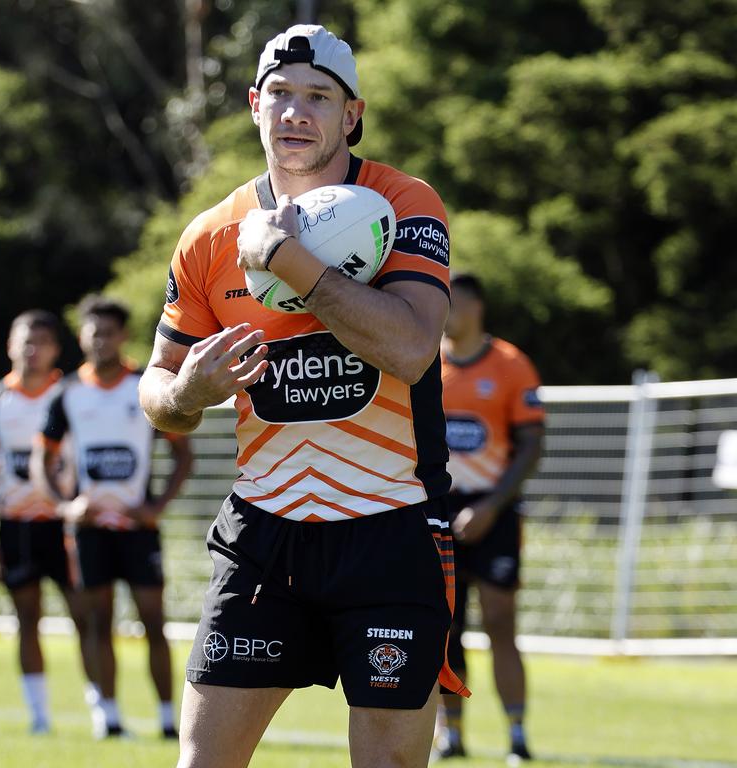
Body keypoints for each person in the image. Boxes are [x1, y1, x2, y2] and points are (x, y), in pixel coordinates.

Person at [138, 23, 468, 768]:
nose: (296, 112)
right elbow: (156, 391)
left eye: (318, 97)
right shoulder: (208, 235)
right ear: (255, 106)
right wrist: (190, 387)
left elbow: (413, 349)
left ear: (351, 115)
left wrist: (284, 260)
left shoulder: (403, 203)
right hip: (265, 534)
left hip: (389, 527)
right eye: (280, 95)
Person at [30, 295, 193, 739]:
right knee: (99, 624)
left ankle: (165, 719)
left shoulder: (146, 385)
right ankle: (109, 716)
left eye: (109, 332)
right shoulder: (66, 394)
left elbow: (183, 454)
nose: (100, 340)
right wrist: (66, 508)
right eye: (93, 331)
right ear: (81, 337)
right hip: (90, 532)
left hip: (138, 531)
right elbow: (39, 461)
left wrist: (155, 507)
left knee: (153, 624)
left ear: (122, 336)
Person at [0, 309, 100, 733]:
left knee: (86, 617)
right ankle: (39, 716)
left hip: (67, 524)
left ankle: (104, 714)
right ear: (10, 345)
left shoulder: (70, 393)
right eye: (25, 341)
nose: (32, 350)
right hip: (16, 526)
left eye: (41, 342)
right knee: (27, 619)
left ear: (55, 349)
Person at [436, 273, 545, 761]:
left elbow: (532, 445)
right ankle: (451, 734)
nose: (442, 313)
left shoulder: (510, 364)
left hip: (493, 510)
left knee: (501, 622)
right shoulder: (421, 359)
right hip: (439, 509)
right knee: (443, 627)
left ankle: (517, 736)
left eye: (451, 303)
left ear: (475, 306)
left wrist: (491, 506)